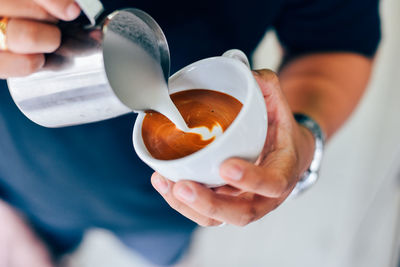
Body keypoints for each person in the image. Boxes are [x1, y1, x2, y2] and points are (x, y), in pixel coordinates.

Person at [0, 0, 380, 266]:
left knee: (162, 251)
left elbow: (336, 40)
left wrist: (301, 134)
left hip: (167, 207)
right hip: (17, 183)